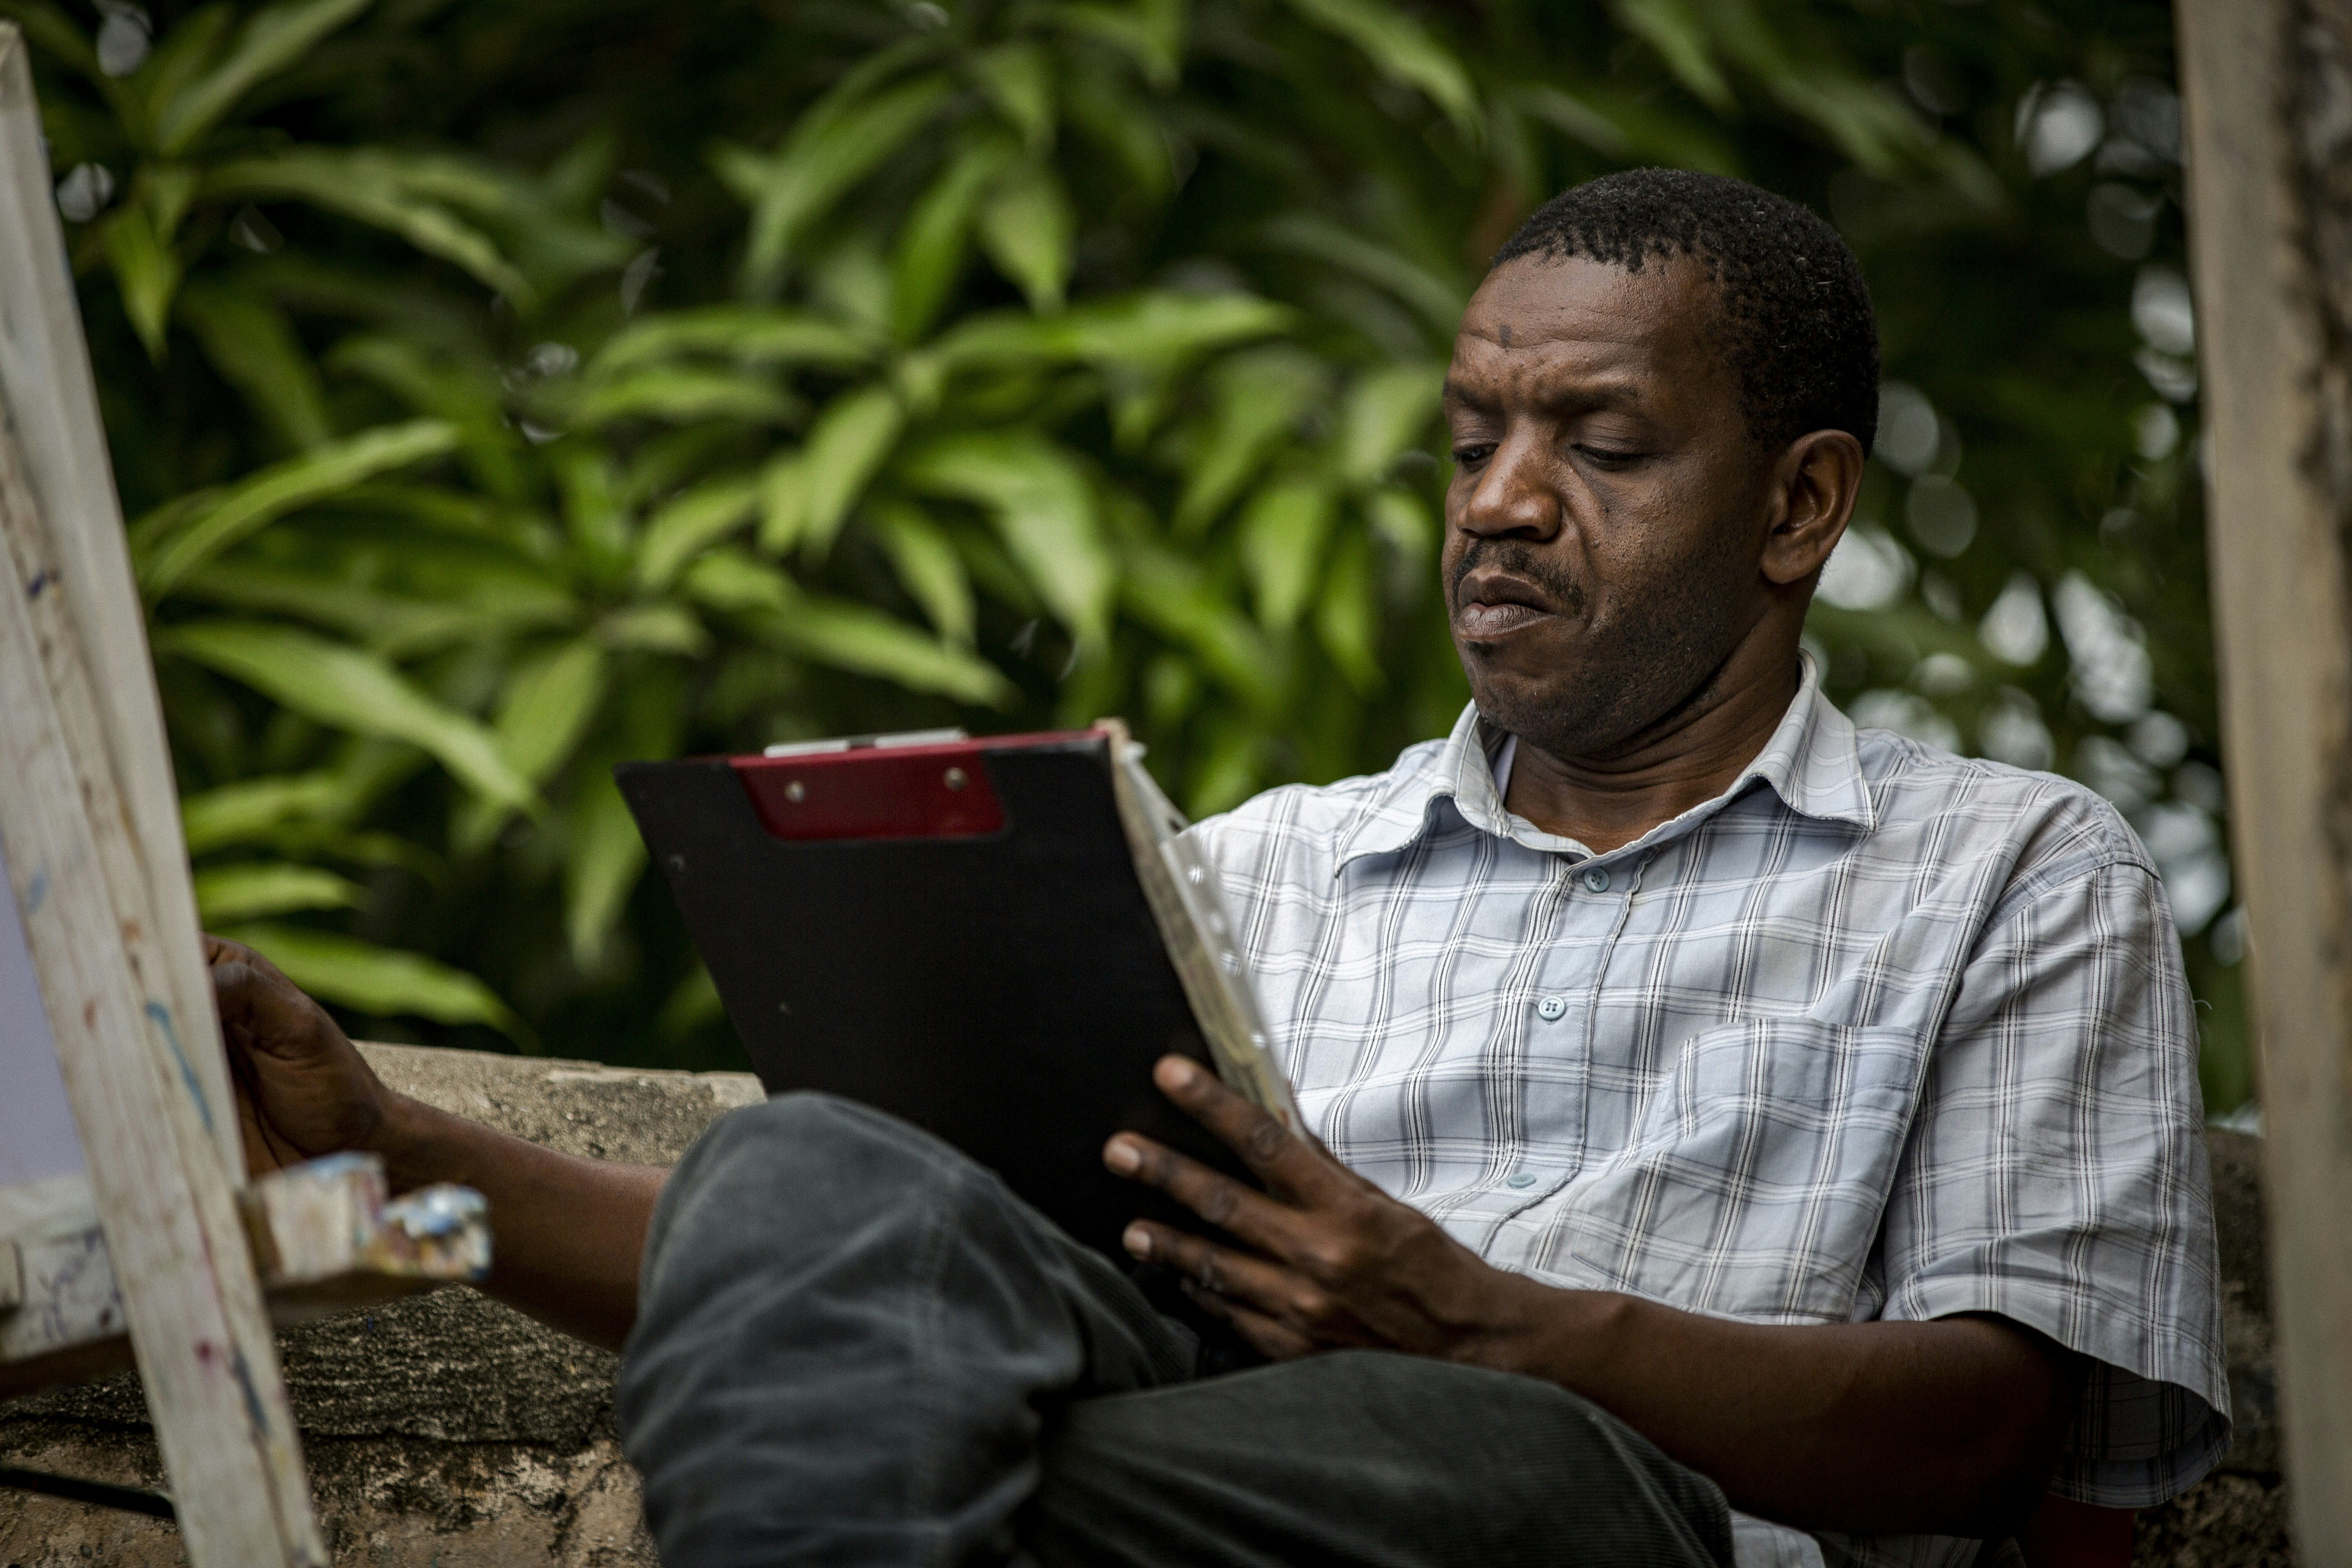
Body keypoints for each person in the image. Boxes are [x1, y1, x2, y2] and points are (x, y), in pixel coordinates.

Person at [206, 169, 2226, 1568]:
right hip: (1148, 1457)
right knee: (806, 1176)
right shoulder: (1251, 869)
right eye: (1469, 443)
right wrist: (383, 1154)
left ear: (1799, 507)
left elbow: (2001, 1429)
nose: (1502, 506)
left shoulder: (2010, 874)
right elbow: (825, 1277)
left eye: (1599, 445)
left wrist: (1472, 1323)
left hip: (1591, 1499)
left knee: (1381, 1450)